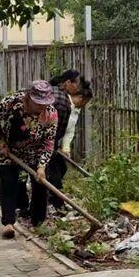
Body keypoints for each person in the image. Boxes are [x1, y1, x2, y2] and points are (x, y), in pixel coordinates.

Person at [0, 81, 58, 239]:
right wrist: (0, 142)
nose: (41, 107)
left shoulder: (51, 113)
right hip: (8, 150)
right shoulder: (11, 103)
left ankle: (38, 222)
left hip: (34, 152)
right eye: (38, 103)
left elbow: (49, 142)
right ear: (28, 98)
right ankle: (8, 223)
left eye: (45, 103)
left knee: (40, 183)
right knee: (8, 182)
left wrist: (41, 166)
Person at [44, 71, 93, 208]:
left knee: (61, 168)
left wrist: (65, 148)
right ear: (80, 97)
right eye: (85, 102)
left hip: (53, 143)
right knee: (54, 172)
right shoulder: (62, 104)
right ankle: (56, 201)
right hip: (47, 142)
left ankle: (51, 196)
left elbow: (69, 130)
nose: (84, 105)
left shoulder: (75, 110)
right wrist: (52, 146)